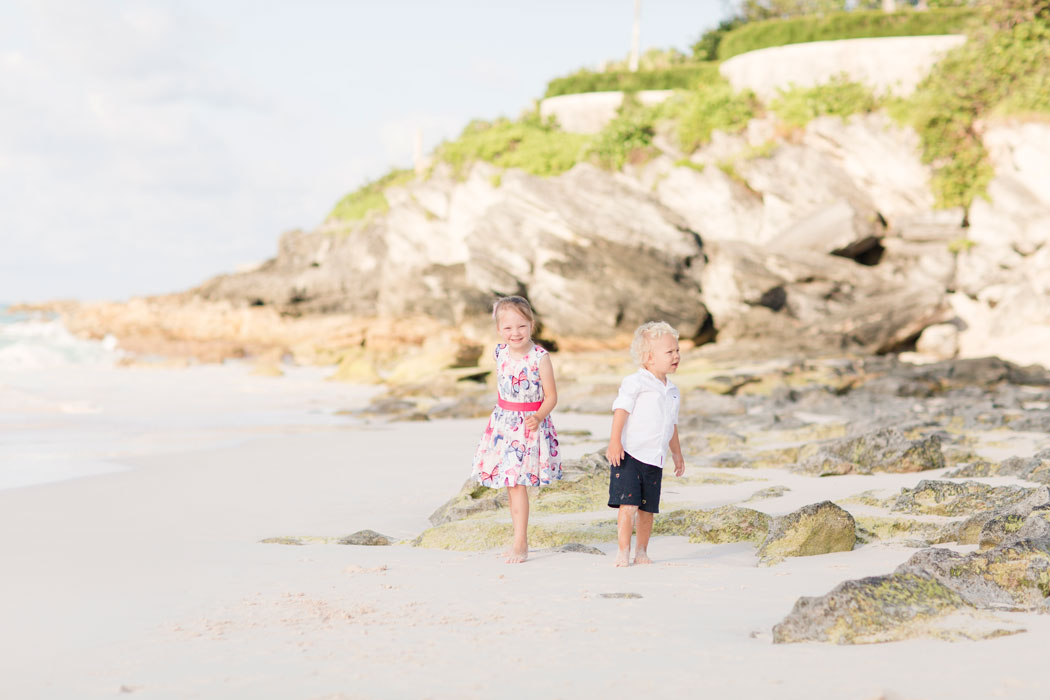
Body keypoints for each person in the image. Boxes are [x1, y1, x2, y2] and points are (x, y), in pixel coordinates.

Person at [471, 296, 561, 563]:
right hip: (502, 426)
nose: (515, 333)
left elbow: (552, 396)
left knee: (518, 483)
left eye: (521, 326)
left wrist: (539, 416)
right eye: (508, 328)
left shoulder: (540, 358)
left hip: (529, 426)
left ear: (531, 325)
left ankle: (520, 543)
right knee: (511, 485)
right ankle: (518, 539)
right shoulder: (499, 352)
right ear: (499, 330)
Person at [606, 321, 685, 567]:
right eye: (669, 352)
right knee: (628, 505)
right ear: (649, 358)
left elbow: (671, 424)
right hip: (630, 454)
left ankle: (641, 551)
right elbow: (621, 410)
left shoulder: (672, 391)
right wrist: (614, 442)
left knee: (647, 509)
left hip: (655, 457)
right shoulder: (635, 382)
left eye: (677, 350)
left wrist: (677, 454)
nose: (676, 356)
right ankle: (623, 551)